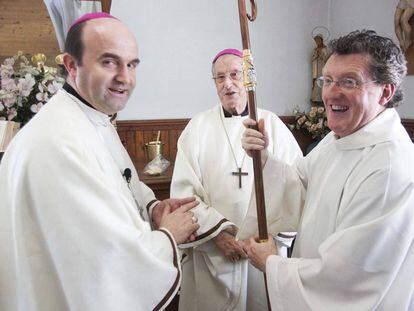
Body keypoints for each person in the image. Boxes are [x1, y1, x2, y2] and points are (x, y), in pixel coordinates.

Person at [0, 13, 200, 311]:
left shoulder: (92, 119)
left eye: (132, 64)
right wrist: (169, 236)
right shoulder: (59, 141)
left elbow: (119, 183)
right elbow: (106, 260)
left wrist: (152, 207)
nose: (125, 77)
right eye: (109, 62)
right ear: (71, 65)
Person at [242, 29, 414, 310]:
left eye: (349, 81)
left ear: (385, 91)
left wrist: (273, 265)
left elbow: (348, 279)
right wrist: (263, 158)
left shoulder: (388, 166)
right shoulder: (341, 139)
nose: (331, 93)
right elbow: (300, 185)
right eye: (328, 80)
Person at [171, 48, 302, 311]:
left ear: (249, 79)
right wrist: (217, 235)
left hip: (263, 250)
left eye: (235, 75)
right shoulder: (197, 127)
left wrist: (270, 240)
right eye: (220, 77)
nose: (227, 83)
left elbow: (295, 185)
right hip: (213, 252)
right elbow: (184, 194)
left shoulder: (272, 125)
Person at [311, 34, 329, 105]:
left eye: (318, 40)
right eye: (316, 41)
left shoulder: (326, 49)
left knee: (322, 83)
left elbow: (327, 58)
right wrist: (316, 55)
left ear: (321, 40)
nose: (317, 42)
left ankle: (323, 101)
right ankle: (316, 101)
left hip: (323, 69)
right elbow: (311, 59)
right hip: (316, 69)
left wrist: (321, 54)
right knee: (316, 84)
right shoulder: (314, 50)